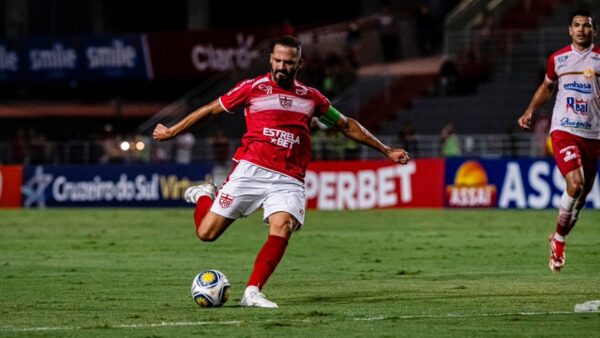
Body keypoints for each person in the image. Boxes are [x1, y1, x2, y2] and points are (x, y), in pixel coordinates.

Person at [152, 36, 410, 308]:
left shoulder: (311, 98)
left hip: (289, 178)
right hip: (251, 169)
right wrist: (173, 130)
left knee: (283, 225)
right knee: (207, 233)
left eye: (289, 62)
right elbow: (211, 110)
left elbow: (346, 125)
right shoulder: (252, 88)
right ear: (270, 60)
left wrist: (386, 150)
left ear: (300, 64)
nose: (282, 67)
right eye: (278, 61)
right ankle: (205, 194)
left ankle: (252, 291)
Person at [517, 10, 600, 272]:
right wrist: (530, 110)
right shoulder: (558, 59)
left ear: (593, 31)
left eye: (586, 26)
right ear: (569, 30)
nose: (581, 30)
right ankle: (560, 241)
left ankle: (558, 237)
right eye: (576, 25)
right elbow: (546, 87)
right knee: (574, 185)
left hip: (593, 134)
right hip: (563, 130)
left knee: (583, 195)